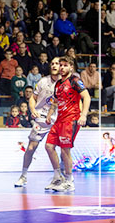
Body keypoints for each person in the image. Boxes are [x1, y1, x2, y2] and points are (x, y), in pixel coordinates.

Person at [45, 56, 91, 192]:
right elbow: (55, 101)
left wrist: (83, 115)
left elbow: (87, 97)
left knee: (65, 150)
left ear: (71, 67)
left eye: (65, 65)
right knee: (48, 146)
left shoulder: (75, 81)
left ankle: (69, 181)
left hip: (71, 120)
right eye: (61, 65)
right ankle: (58, 177)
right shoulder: (58, 84)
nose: (62, 67)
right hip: (59, 120)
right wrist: (49, 114)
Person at [14, 57, 60, 187]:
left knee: (57, 149)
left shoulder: (64, 83)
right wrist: (33, 109)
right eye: (52, 64)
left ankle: (59, 177)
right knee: (30, 148)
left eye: (57, 64)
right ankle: (23, 176)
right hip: (42, 119)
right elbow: (33, 98)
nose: (54, 66)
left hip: (58, 120)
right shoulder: (42, 81)